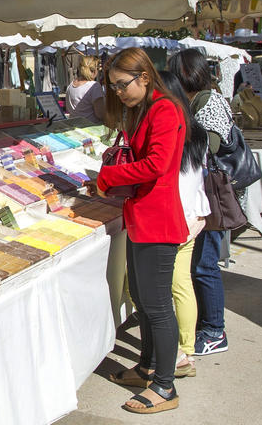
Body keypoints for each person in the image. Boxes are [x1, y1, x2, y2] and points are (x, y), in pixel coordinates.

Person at [96, 48, 187, 415]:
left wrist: (109, 176)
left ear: (144, 78)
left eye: (122, 85)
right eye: (113, 86)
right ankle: (148, 366)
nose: (118, 92)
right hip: (141, 217)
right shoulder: (143, 110)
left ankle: (165, 386)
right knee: (145, 302)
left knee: (158, 306)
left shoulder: (165, 109)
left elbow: (155, 164)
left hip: (158, 220)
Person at [168, 48, 233, 356]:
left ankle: (215, 330)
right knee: (198, 265)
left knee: (205, 265)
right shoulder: (198, 100)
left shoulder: (207, 101)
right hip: (202, 191)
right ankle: (206, 324)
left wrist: (187, 135)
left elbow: (216, 143)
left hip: (208, 194)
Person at [159, 71, 211, 378]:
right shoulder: (198, 131)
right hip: (193, 214)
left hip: (172, 217)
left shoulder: (170, 129)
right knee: (181, 285)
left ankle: (174, 355)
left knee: (160, 292)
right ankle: (187, 349)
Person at [65, 55, 105, 122]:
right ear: (94, 70)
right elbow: (100, 114)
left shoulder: (70, 85)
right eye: (98, 69)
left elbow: (68, 109)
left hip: (74, 126)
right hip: (91, 128)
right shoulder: (94, 86)